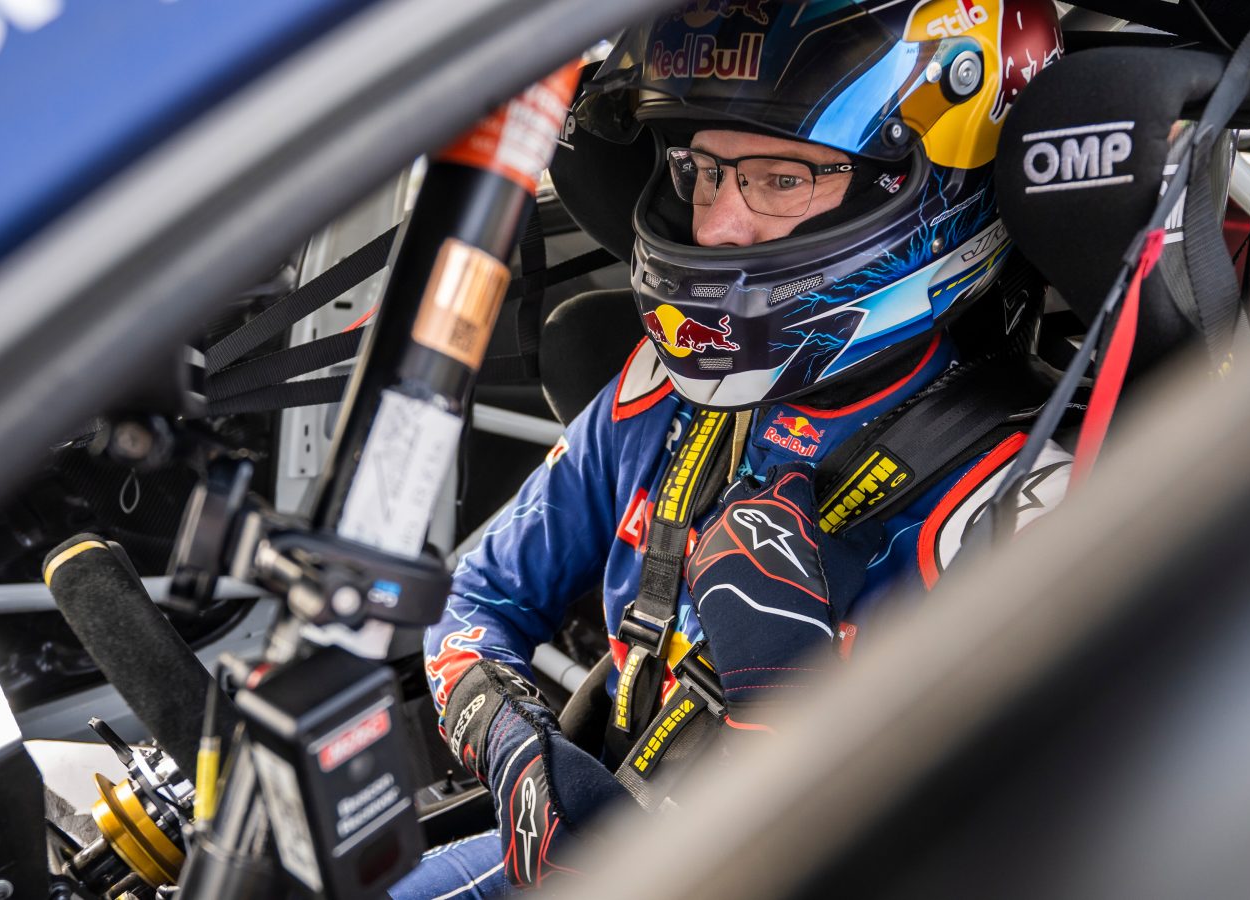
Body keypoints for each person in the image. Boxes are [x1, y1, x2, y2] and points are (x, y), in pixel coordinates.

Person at [392, 0, 1067, 895]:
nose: (717, 226)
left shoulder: (1029, 505)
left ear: (920, 183)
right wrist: (512, 743)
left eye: (781, 178)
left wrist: (784, 704)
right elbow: (473, 598)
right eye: (704, 170)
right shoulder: (665, 392)